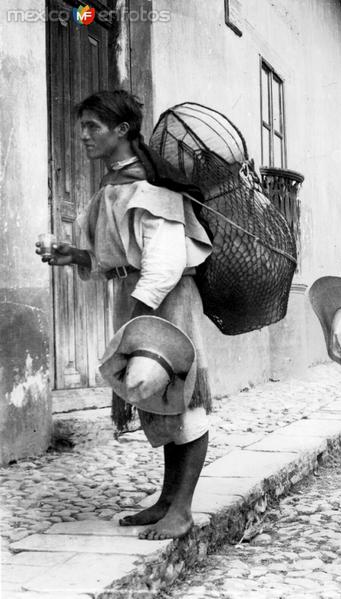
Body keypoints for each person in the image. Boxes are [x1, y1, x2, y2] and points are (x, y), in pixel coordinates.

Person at [35, 90, 213, 540]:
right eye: (82, 127)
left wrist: (136, 327)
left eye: (93, 127)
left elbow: (166, 263)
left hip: (165, 304)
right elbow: (113, 260)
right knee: (160, 400)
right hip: (141, 301)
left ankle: (184, 510)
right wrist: (73, 255)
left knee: (183, 400)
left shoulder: (153, 190)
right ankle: (167, 501)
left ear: (123, 131)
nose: (83, 136)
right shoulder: (115, 188)